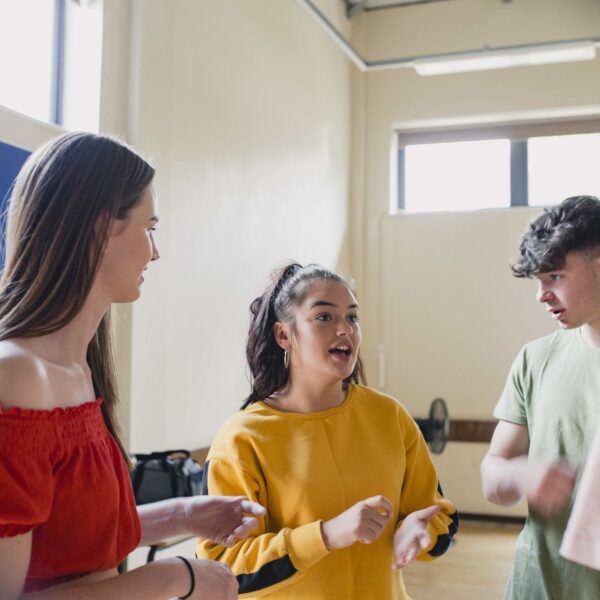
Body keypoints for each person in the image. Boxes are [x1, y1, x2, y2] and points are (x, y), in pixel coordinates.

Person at [0, 132, 265, 600]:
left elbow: (72, 543)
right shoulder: (19, 377)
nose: (154, 252)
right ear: (101, 228)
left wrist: (184, 514)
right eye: (150, 228)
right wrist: (172, 577)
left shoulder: (79, 372)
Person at [196, 263, 458, 599]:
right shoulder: (241, 438)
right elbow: (223, 564)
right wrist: (326, 535)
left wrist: (421, 530)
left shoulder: (389, 415)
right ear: (284, 335)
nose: (345, 329)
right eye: (324, 317)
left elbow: (440, 514)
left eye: (352, 317)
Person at [481, 195, 600, 600]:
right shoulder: (535, 359)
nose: (541, 295)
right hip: (536, 587)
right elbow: (493, 472)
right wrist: (521, 475)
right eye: (538, 281)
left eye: (555, 277)